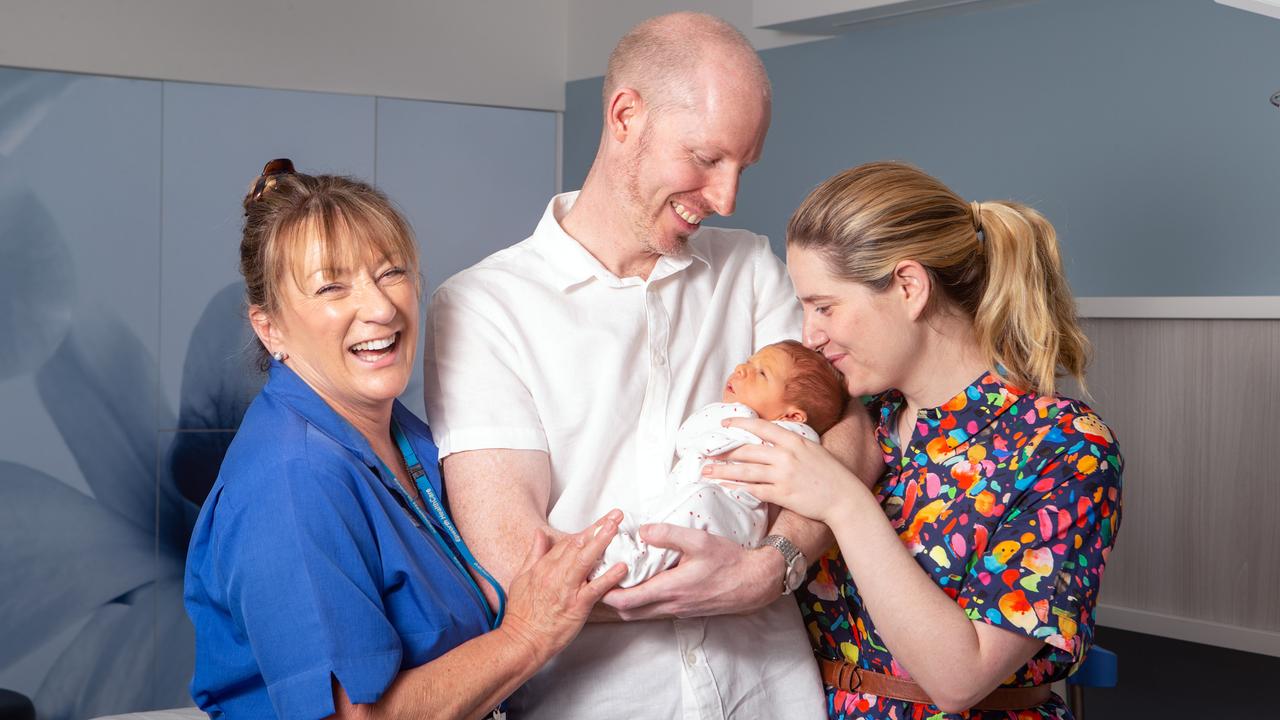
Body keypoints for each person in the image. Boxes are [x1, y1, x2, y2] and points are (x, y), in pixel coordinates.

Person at [424, 12, 881, 720]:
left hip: (770, 696)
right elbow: (518, 564)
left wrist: (769, 567)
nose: (727, 197)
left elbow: (850, 434)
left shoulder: (750, 271)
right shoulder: (482, 308)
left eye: (741, 167)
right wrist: (687, 586)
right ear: (626, 116)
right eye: (706, 158)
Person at [183, 160, 628, 720]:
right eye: (331, 287)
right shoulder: (292, 481)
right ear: (269, 329)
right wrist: (528, 635)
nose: (380, 307)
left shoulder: (401, 437)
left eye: (391, 272)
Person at [706, 161, 1123, 719]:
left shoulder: (1064, 447)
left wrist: (844, 501)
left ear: (909, 286)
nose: (810, 334)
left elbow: (960, 679)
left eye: (825, 306)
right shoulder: (857, 421)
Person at [596, 340, 850, 587]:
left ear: (793, 416)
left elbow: (799, 452)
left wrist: (742, 418)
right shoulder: (724, 416)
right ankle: (609, 553)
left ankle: (631, 568)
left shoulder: (796, 438)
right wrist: (738, 414)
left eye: (761, 373)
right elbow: (685, 439)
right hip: (681, 503)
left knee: (699, 500)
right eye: (749, 361)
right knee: (626, 521)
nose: (741, 368)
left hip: (732, 519)